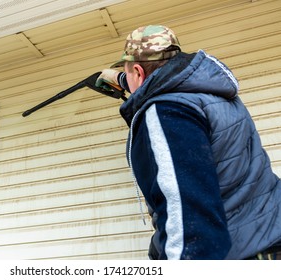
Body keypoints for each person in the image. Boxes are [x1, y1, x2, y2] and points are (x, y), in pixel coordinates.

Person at [95, 25, 281, 260]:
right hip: (269, 242)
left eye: (128, 72)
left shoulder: (166, 112)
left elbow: (188, 221)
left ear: (140, 73)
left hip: (235, 254)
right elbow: (160, 79)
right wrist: (123, 78)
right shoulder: (213, 94)